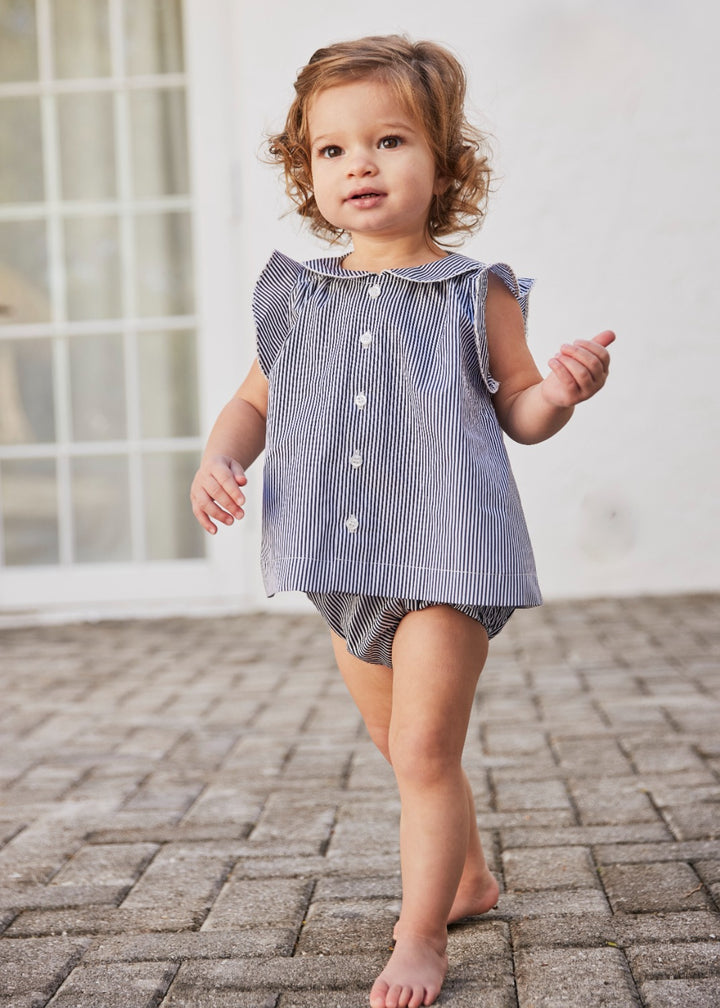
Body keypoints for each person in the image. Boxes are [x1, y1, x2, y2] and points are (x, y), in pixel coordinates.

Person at [190, 34, 615, 1008]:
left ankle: (421, 936)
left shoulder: (478, 293)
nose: (360, 165)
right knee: (397, 749)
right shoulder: (295, 294)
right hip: (343, 561)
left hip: (447, 558)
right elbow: (253, 404)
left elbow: (523, 412)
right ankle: (467, 879)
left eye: (389, 141)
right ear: (306, 172)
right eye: (332, 151)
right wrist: (219, 458)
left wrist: (561, 390)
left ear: (445, 162)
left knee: (426, 753)